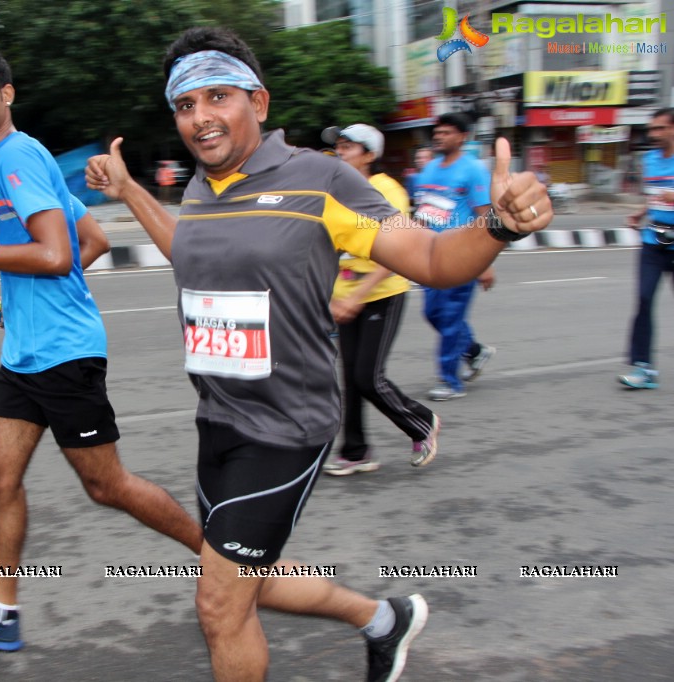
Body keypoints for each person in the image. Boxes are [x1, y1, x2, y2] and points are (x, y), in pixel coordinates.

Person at [86, 26, 551, 682]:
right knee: (252, 580)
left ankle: (378, 622)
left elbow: (429, 256)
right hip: (217, 422)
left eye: (217, 96)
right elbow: (187, 250)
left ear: (260, 103)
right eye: (184, 106)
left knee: (219, 603)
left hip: (284, 426)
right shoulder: (199, 189)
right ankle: (382, 620)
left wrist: (498, 224)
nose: (199, 118)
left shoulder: (320, 180)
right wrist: (132, 191)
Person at [0, 43, 203, 652]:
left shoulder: (14, 156)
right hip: (28, 351)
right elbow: (90, 238)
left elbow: (57, 253)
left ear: (5, 95)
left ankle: (222, 560)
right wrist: (23, 306)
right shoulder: (18, 161)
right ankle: (1, 612)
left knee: (108, 486)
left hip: (64, 356)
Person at [320, 123, 439, 475]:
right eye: (338, 145)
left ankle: (422, 422)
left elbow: (398, 254)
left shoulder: (388, 191)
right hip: (345, 299)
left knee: (368, 377)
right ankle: (355, 451)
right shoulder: (335, 191)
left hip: (381, 295)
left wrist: (356, 296)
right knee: (351, 381)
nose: (340, 151)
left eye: (348, 146)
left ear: (370, 155)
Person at [412, 114, 497, 401]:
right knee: (432, 313)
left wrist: (484, 262)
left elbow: (485, 217)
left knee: (449, 318)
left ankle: (450, 382)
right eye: (437, 132)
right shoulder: (429, 169)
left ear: (462, 137)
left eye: (446, 132)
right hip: (430, 255)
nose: (439, 137)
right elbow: (423, 212)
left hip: (462, 255)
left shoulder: (473, 170)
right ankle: (474, 351)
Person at [620, 107, 674, 389]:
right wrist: (641, 212)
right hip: (653, 241)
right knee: (643, 300)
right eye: (652, 129)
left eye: (660, 129)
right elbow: (656, 197)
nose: (653, 134)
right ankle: (643, 368)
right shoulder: (650, 160)